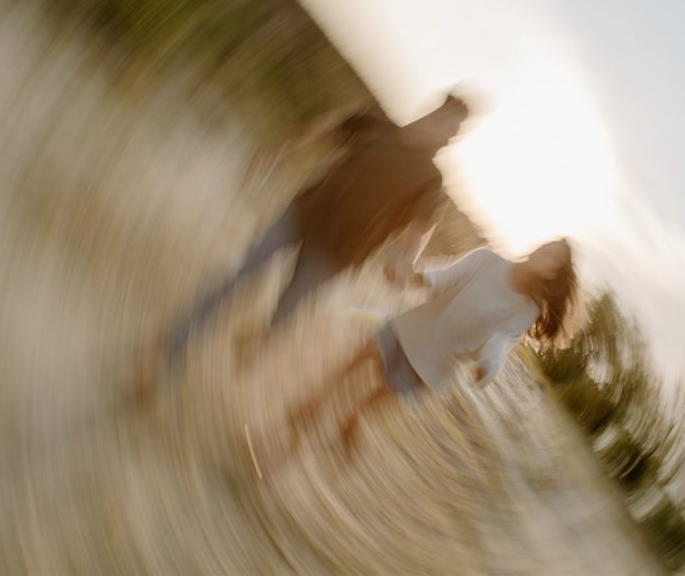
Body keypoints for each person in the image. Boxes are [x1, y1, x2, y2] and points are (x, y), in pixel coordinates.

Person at [156, 93, 471, 381]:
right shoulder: (377, 122)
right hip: (302, 215)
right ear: (434, 112)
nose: (448, 138)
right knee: (240, 276)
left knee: (284, 313)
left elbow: (419, 230)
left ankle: (259, 338)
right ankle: (168, 352)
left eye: (454, 134)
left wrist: (405, 261)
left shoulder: (431, 180)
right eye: (448, 125)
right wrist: (276, 152)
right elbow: (322, 134)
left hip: (336, 255)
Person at [257, 239, 578, 468]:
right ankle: (280, 442)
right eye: (547, 247)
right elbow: (444, 274)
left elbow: (500, 342)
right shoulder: (489, 261)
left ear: (553, 274)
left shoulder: (527, 311)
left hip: (429, 368)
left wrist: (487, 367)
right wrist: (408, 276)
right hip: (406, 329)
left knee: (360, 408)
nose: (544, 254)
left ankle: (350, 428)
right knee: (334, 381)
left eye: (553, 259)